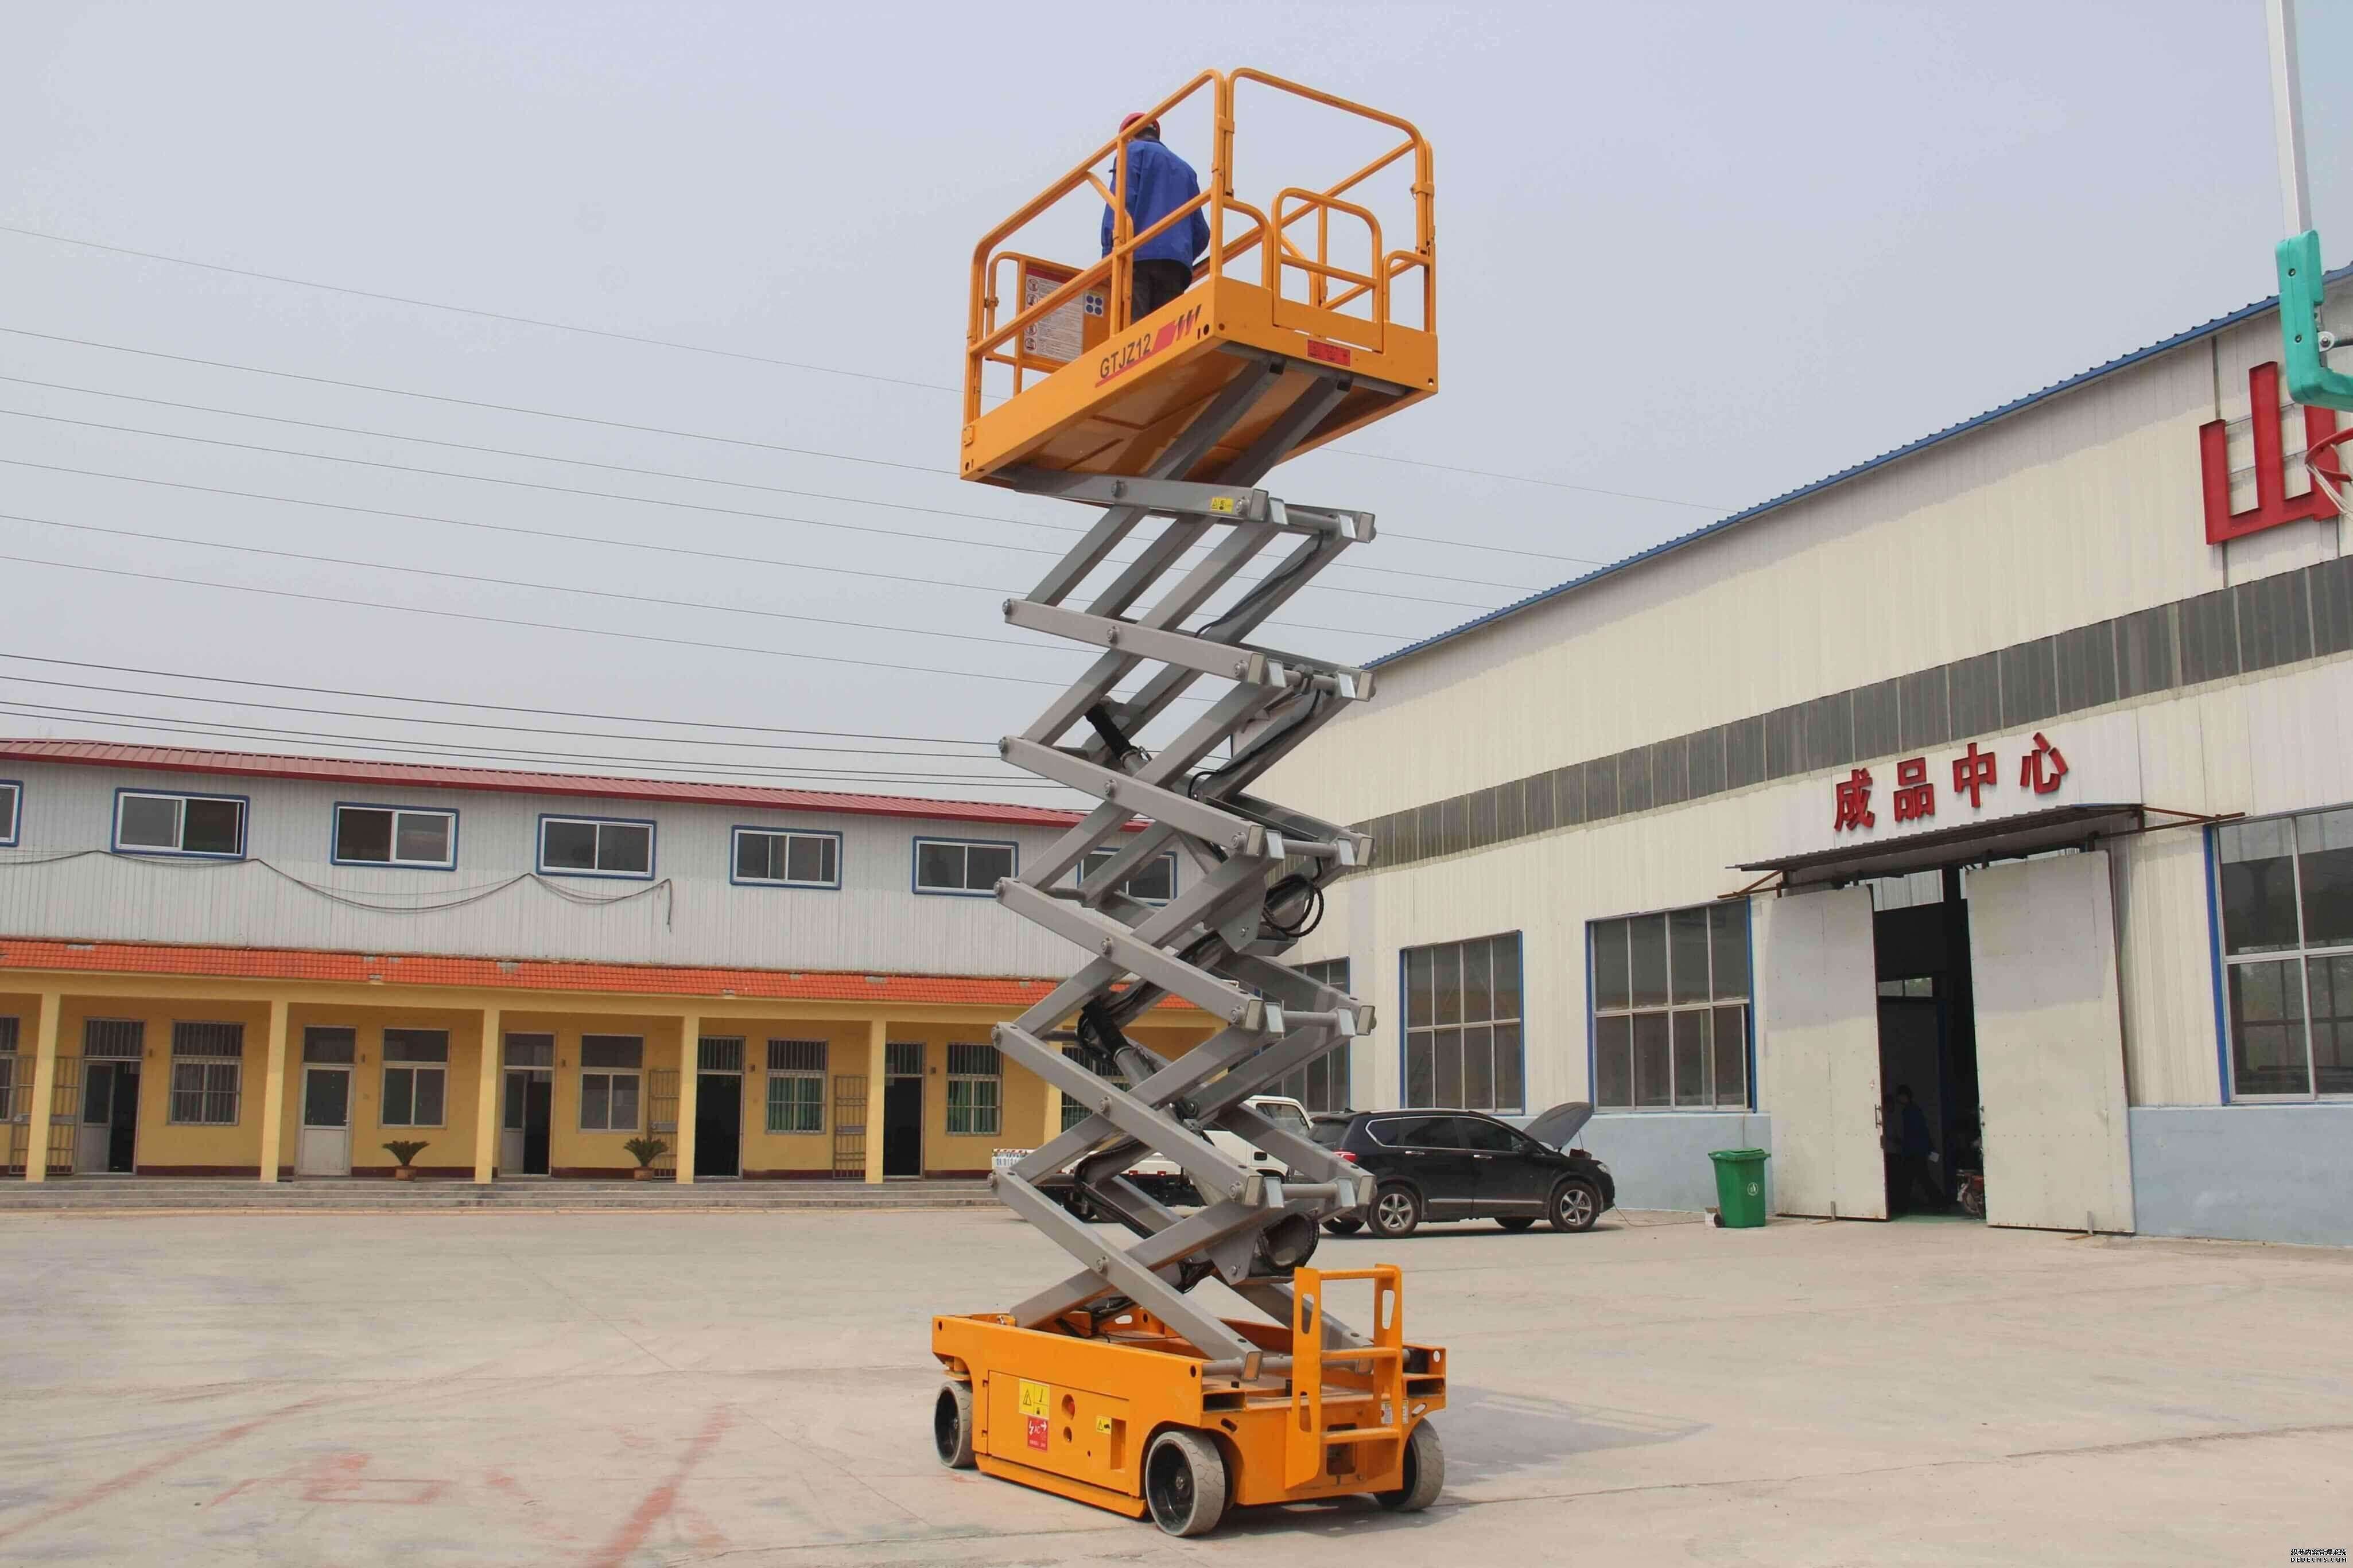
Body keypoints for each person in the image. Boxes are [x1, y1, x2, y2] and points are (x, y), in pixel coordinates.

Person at [1101, 112, 1210, 322]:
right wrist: (1180, 253)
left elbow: (1120, 206)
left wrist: (1109, 255)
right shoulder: (1186, 170)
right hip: (1175, 268)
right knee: (1166, 335)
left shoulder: (1131, 152)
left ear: (1128, 137)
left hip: (1137, 261)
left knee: (1134, 334)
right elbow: (1202, 233)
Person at [1889, 1084, 1942, 1213]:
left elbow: (1914, 1133)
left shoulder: (1909, 1111)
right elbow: (1922, 1131)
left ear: (1904, 1096)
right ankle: (1939, 1201)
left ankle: (1902, 1205)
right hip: (1917, 1150)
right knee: (1920, 1178)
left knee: (1910, 1179)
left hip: (1913, 1151)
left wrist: (1904, 1146)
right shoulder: (1914, 1110)